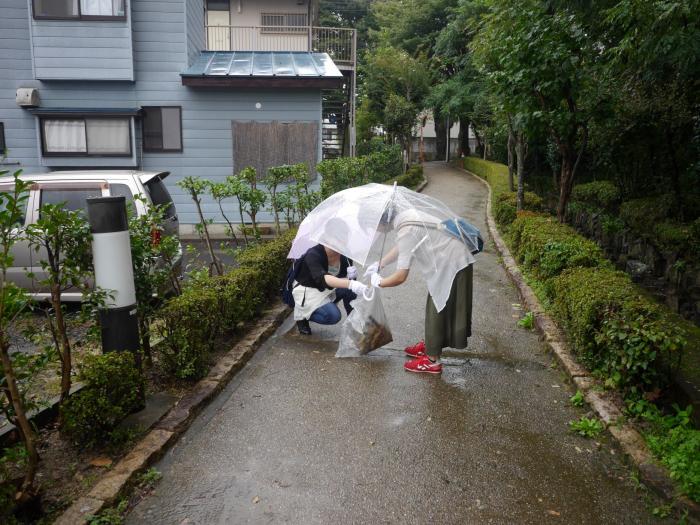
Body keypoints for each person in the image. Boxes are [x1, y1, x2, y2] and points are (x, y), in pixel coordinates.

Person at [365, 208, 474, 374]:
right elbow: (403, 245)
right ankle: (432, 344)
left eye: (375, 226)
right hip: (450, 257)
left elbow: (400, 276)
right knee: (438, 304)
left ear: (382, 221)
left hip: (451, 263)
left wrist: (380, 282)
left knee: (437, 306)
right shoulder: (407, 216)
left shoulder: (406, 229)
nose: (376, 230)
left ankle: (432, 361)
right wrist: (381, 264)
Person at [292, 242, 368, 336]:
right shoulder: (313, 254)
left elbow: (345, 279)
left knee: (350, 290)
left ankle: (354, 324)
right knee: (333, 316)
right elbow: (322, 278)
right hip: (310, 291)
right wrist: (351, 283)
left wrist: (351, 278)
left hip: (328, 289)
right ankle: (302, 316)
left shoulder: (345, 256)